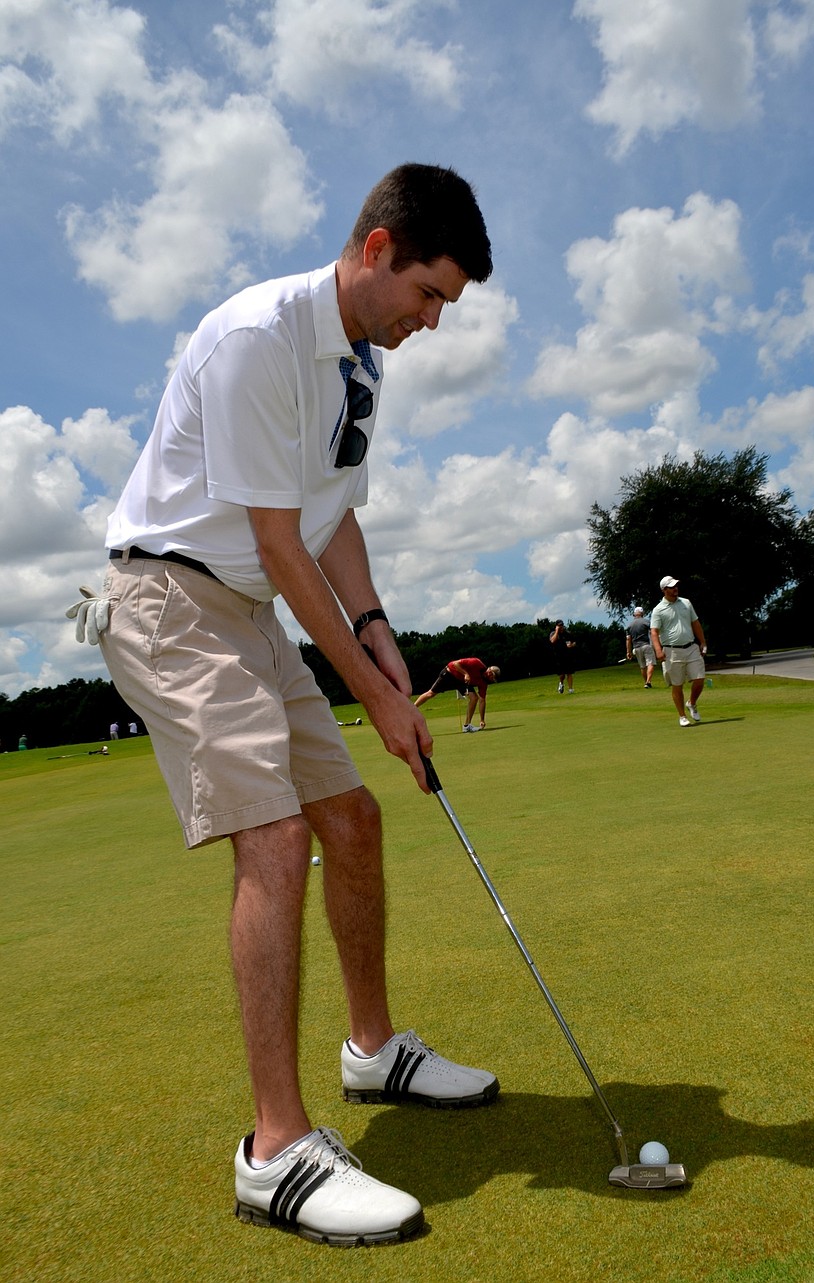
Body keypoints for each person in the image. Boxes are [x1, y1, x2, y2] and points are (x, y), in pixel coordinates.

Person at [68, 164, 497, 1248]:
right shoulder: (260, 335)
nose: (431, 322)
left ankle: (372, 1050)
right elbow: (271, 538)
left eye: (445, 304)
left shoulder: (361, 362)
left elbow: (329, 520)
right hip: (166, 596)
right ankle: (273, 1150)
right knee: (270, 834)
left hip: (253, 605)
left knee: (350, 819)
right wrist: (377, 701)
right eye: (429, 293)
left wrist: (381, 639)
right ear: (376, 250)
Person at [650, 577, 708, 727]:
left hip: (691, 647)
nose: (675, 588)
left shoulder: (686, 603)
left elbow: (695, 623)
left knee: (699, 679)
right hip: (671, 651)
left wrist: (702, 642)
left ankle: (692, 703)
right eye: (671, 587)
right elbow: (654, 632)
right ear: (664, 590)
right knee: (677, 684)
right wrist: (658, 650)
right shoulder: (658, 610)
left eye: (676, 585)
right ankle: (682, 716)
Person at [414, 658, 500, 731]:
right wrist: (466, 674)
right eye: (490, 672)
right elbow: (456, 664)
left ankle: (467, 726)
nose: (489, 674)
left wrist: (482, 719)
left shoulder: (483, 683)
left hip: (461, 681)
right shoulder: (476, 662)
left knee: (474, 698)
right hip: (449, 673)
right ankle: (411, 708)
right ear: (488, 668)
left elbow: (482, 701)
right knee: (431, 694)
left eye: (492, 676)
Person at [625, 607, 655, 688]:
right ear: (642, 614)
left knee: (642, 666)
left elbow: (628, 639)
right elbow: (653, 633)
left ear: (634, 614)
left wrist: (628, 652)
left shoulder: (630, 625)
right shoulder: (646, 622)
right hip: (646, 645)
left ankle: (646, 682)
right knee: (650, 663)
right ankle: (648, 682)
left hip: (636, 648)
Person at [549, 620, 577, 694]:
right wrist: (557, 631)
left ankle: (571, 689)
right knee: (562, 675)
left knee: (569, 673)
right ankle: (561, 683)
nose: (561, 627)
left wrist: (572, 645)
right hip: (558, 657)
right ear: (557, 626)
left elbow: (574, 642)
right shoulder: (553, 633)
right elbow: (552, 641)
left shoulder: (567, 633)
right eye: (559, 625)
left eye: (562, 625)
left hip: (568, 656)